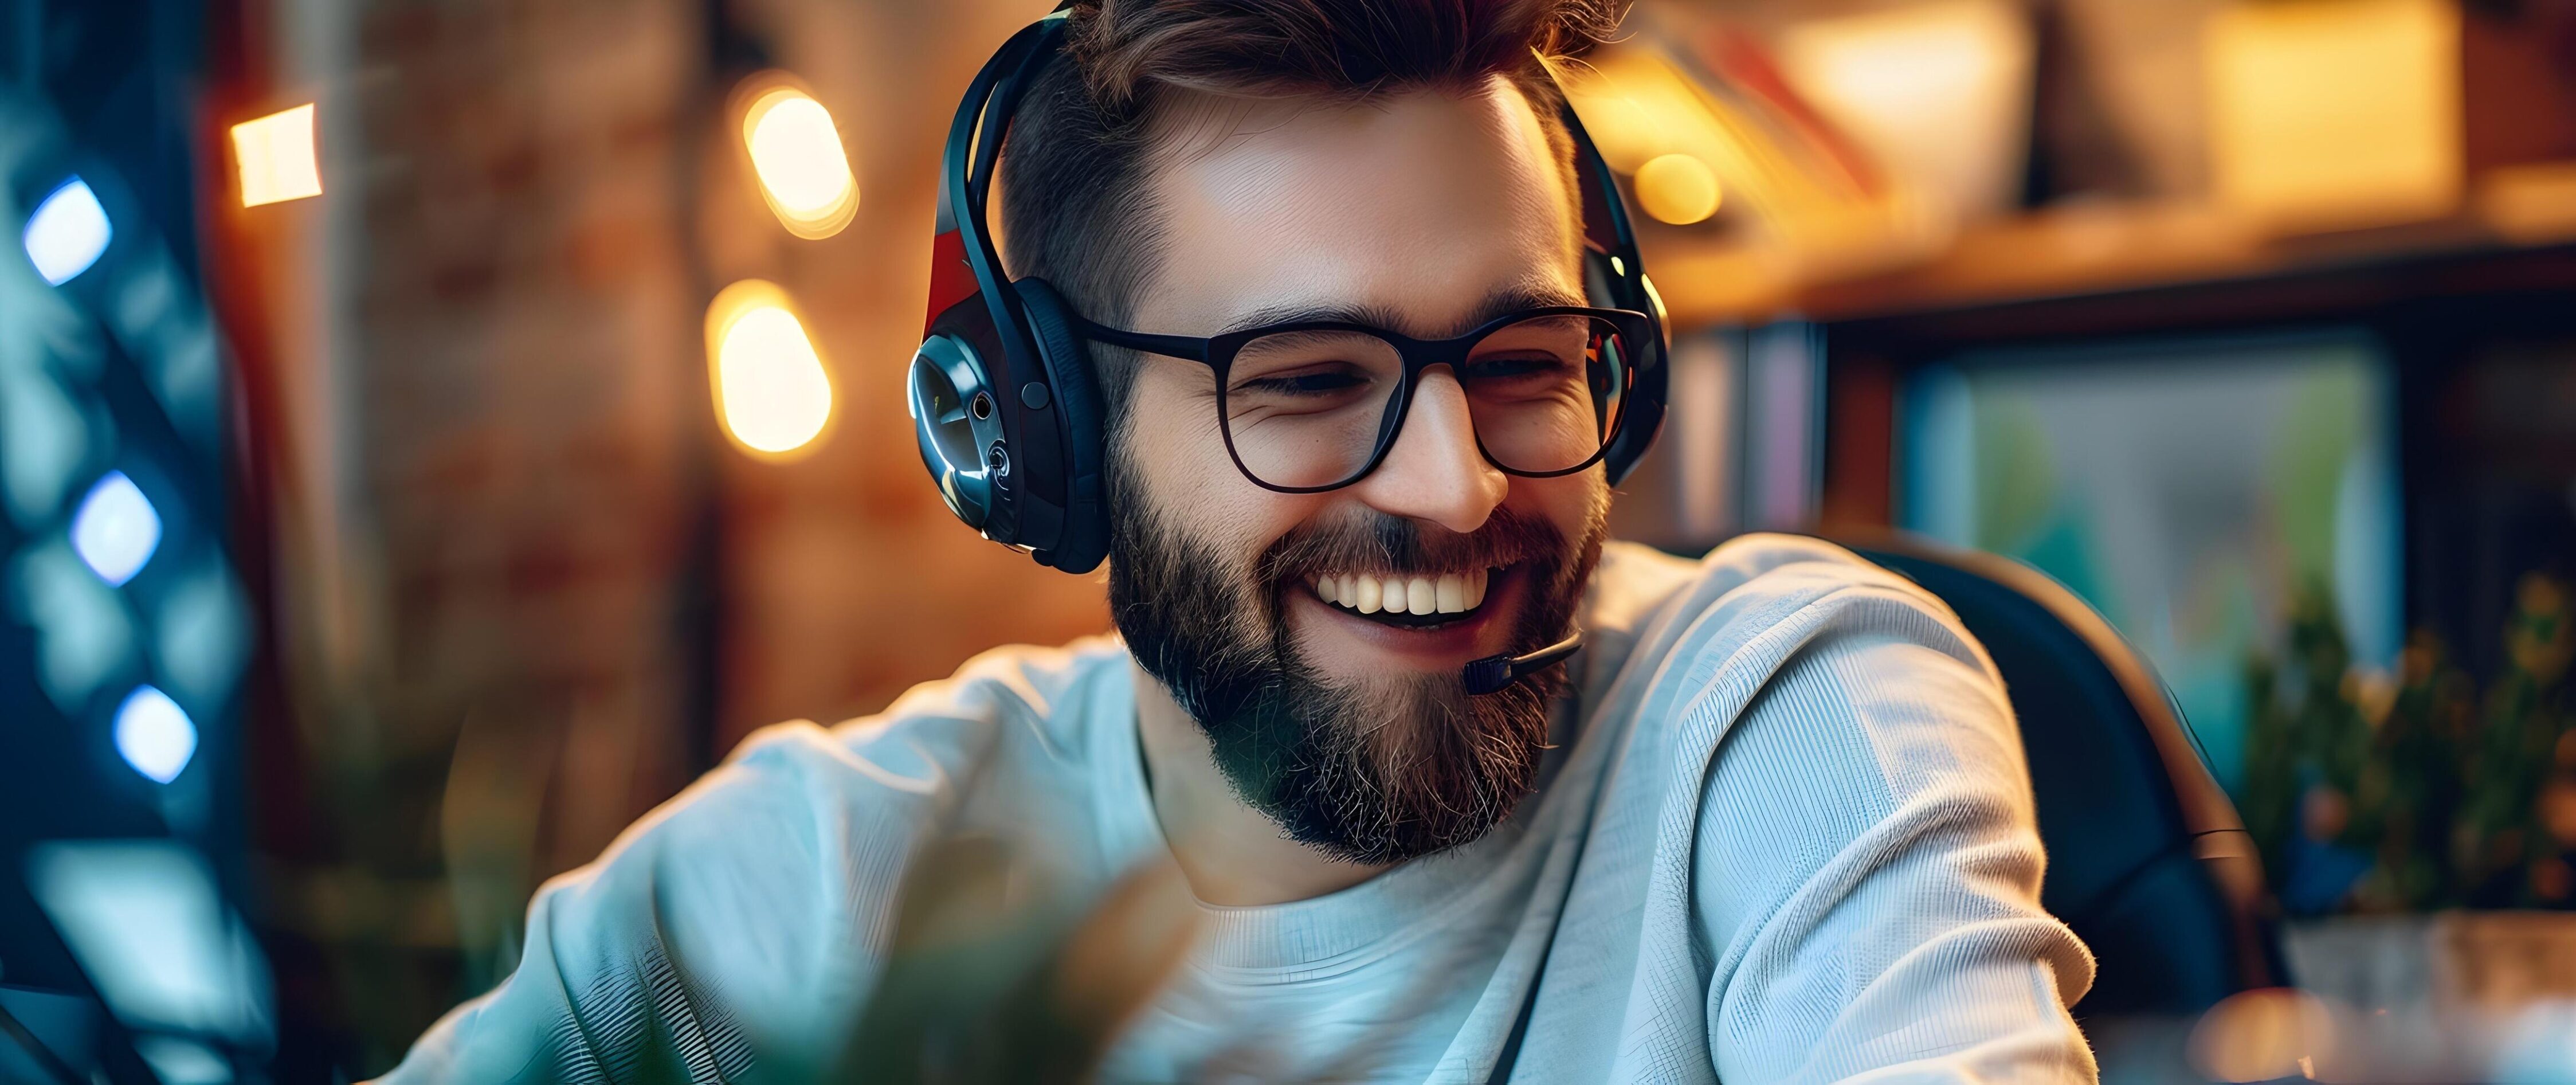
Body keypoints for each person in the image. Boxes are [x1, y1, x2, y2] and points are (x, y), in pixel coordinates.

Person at [379, 1, 2096, 1080]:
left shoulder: (1780, 720)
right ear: (1045, 441)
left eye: (1519, 363)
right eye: (1306, 380)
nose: (1455, 483)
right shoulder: (819, 887)